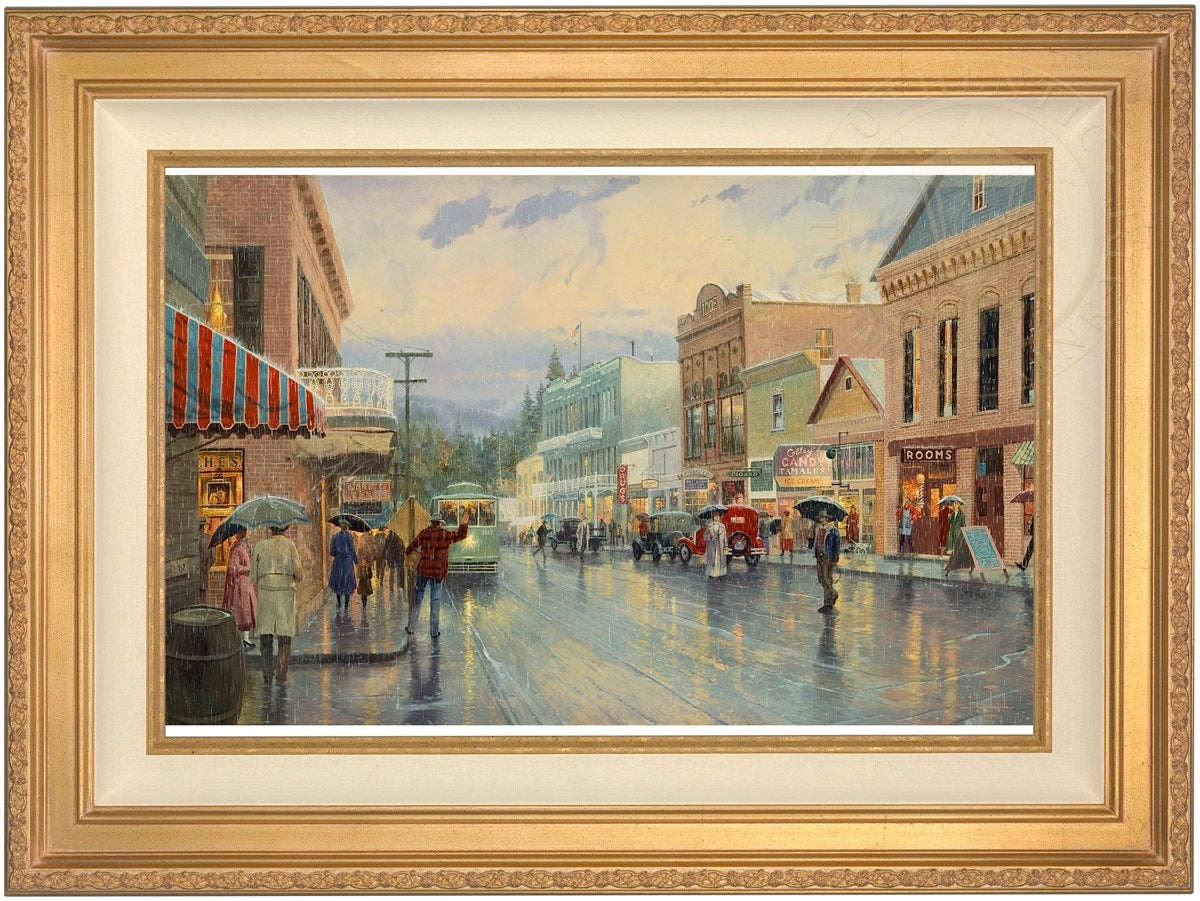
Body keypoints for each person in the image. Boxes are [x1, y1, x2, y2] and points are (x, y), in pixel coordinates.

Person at [250, 525, 303, 685]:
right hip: (284, 594)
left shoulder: (260, 545)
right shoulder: (290, 545)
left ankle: (267, 671)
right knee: (284, 635)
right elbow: (299, 573)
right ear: (285, 528)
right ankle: (281, 675)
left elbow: (253, 576)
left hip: (266, 593)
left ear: (270, 528)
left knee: (266, 635)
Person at [404, 512, 469, 638]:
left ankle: (411, 628)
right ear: (440, 523)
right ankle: (434, 631)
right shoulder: (445, 534)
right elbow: (461, 535)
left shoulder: (424, 533)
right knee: (435, 601)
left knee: (417, 600)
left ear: (431, 523)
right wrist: (464, 524)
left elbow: (412, 546)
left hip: (423, 571)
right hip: (438, 572)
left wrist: (407, 553)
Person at [221, 525, 256, 647]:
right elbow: (233, 568)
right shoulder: (237, 549)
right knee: (241, 610)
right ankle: (237, 638)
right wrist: (248, 568)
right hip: (239, 584)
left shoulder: (243, 547)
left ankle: (246, 638)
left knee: (247, 610)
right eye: (246, 531)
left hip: (245, 583)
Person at [328, 522, 358, 612]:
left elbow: (331, 552)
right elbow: (352, 550)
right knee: (347, 581)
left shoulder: (335, 536)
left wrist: (338, 554)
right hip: (347, 562)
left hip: (338, 562)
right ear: (347, 527)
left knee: (339, 581)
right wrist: (356, 561)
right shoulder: (349, 537)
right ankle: (346, 604)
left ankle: (339, 602)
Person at [814, 514, 841, 613]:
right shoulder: (817, 529)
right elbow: (815, 542)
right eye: (820, 518)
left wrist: (835, 559)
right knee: (821, 578)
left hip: (827, 557)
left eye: (823, 518)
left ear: (827, 519)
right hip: (819, 556)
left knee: (826, 579)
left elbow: (837, 546)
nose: (821, 520)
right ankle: (833, 593)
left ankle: (827, 603)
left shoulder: (833, 531)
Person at [703, 513, 728, 579]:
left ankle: (720, 574)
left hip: (720, 546)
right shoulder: (709, 526)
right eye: (715, 516)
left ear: (719, 517)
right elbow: (704, 536)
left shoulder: (722, 526)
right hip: (711, 546)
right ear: (713, 517)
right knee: (712, 560)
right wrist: (710, 537)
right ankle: (711, 574)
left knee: (719, 560)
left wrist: (726, 546)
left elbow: (725, 537)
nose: (716, 518)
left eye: (718, 516)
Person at [198, 518, 213, 602]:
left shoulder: (191, 540)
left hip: (192, 576)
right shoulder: (209, 539)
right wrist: (206, 567)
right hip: (204, 573)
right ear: (204, 526)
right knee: (203, 598)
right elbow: (213, 558)